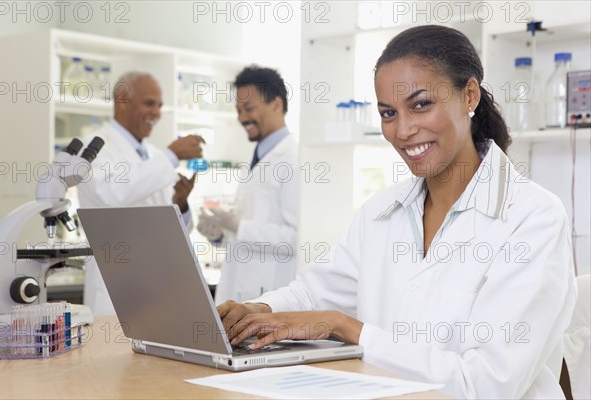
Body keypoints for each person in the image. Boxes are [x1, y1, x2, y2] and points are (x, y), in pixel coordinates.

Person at [217, 26, 577, 398]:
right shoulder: (382, 211)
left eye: (421, 105)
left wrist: (345, 327)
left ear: (469, 95)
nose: (403, 130)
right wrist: (259, 309)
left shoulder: (532, 218)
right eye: (389, 113)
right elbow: (313, 293)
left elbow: (485, 385)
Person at [78, 71, 204, 315]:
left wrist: (181, 206)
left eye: (159, 106)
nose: (156, 113)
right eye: (149, 103)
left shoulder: (153, 154)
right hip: (115, 283)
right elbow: (113, 194)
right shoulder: (93, 145)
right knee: (112, 352)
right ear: (123, 100)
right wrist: (171, 156)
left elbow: (167, 226)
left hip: (156, 284)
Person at [197, 66, 299, 305]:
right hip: (238, 291)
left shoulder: (294, 159)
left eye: (249, 109)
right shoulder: (253, 157)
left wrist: (238, 226)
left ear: (276, 104)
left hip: (270, 295)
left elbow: (297, 239)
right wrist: (219, 233)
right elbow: (249, 229)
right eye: (239, 110)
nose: (242, 118)